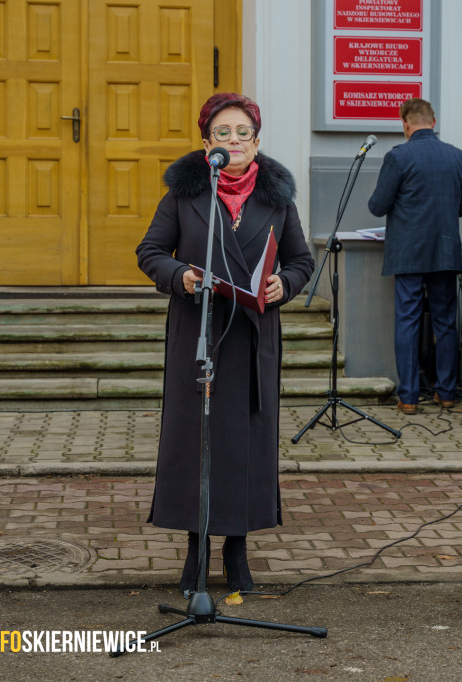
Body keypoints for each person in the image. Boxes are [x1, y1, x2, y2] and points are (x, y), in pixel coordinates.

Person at [136, 93, 315, 596]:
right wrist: (180, 276)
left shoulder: (278, 198)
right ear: (207, 143)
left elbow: (302, 259)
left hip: (252, 338)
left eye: (242, 133)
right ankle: (197, 550)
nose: (232, 141)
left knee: (244, 445)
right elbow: (150, 251)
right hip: (200, 333)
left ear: (256, 142)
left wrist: (287, 284)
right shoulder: (185, 194)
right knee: (198, 441)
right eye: (222, 133)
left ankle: (237, 551)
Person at [368, 98, 462, 414]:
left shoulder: (398, 156)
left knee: (408, 321)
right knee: (445, 322)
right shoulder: (456, 156)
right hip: (444, 250)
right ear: (433, 121)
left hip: (409, 252)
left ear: (406, 124)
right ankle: (447, 392)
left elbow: (377, 205)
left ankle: (409, 397)